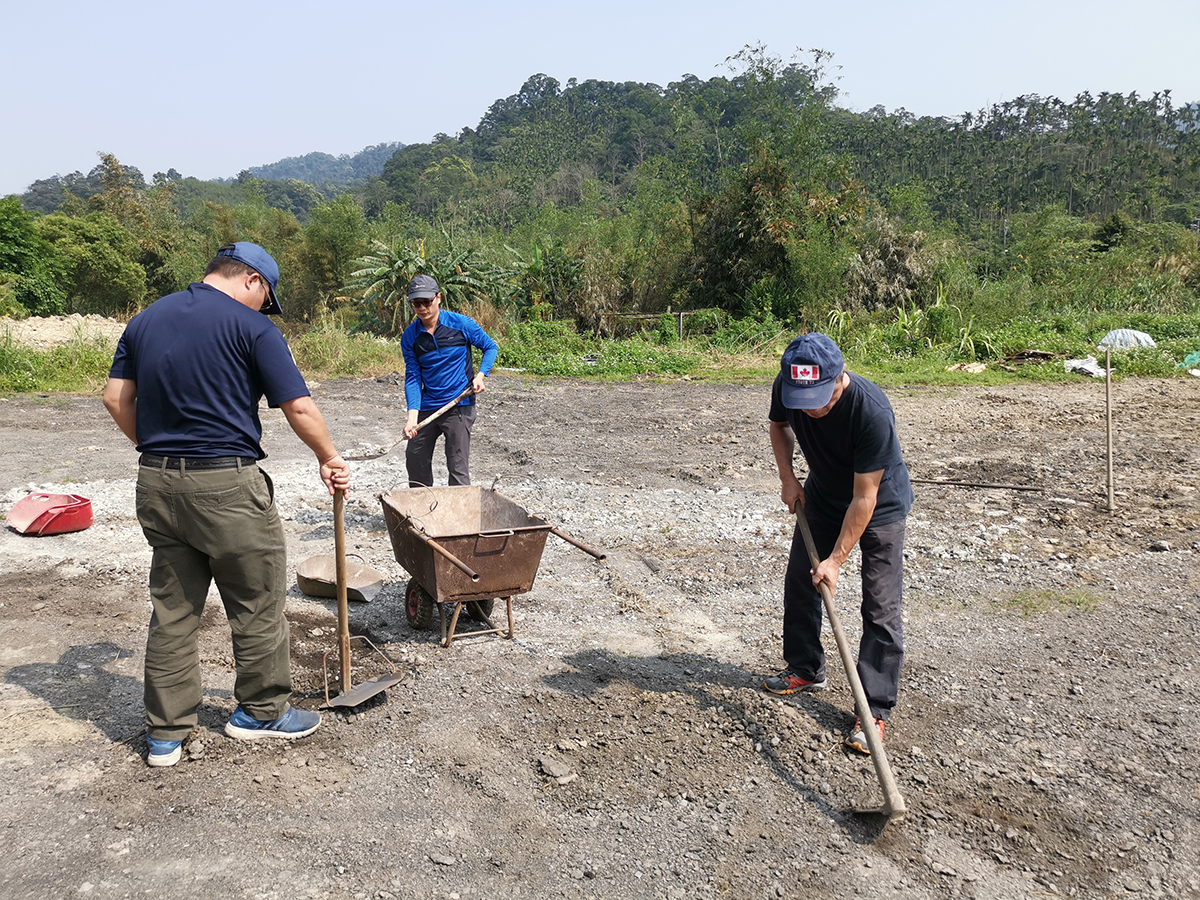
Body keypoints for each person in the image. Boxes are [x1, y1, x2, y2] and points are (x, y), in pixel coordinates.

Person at [103, 241, 351, 768]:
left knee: (173, 611)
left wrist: (160, 453)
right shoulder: (254, 328)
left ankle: (166, 736)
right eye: (267, 298)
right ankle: (260, 714)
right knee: (256, 601)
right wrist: (329, 457)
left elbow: (116, 399)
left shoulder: (145, 319)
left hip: (157, 483)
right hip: (227, 488)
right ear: (254, 282)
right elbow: (299, 406)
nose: (265, 308)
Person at [762, 333, 913, 755]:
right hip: (825, 494)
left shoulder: (872, 411)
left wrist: (836, 560)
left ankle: (873, 711)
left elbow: (865, 499)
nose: (809, 407)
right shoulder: (789, 385)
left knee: (880, 606)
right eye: (801, 398)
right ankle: (806, 668)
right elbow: (778, 425)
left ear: (840, 377)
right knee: (800, 582)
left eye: (819, 397)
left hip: (879, 506)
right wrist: (788, 477)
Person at [400, 274, 498, 487]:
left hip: (459, 405)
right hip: (429, 406)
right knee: (415, 459)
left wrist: (481, 375)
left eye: (427, 302)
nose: (422, 308)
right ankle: (421, 512)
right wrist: (412, 418)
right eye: (417, 303)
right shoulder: (410, 337)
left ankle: (460, 515)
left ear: (438, 298)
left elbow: (490, 347)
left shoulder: (461, 324)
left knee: (457, 464)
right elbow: (413, 377)